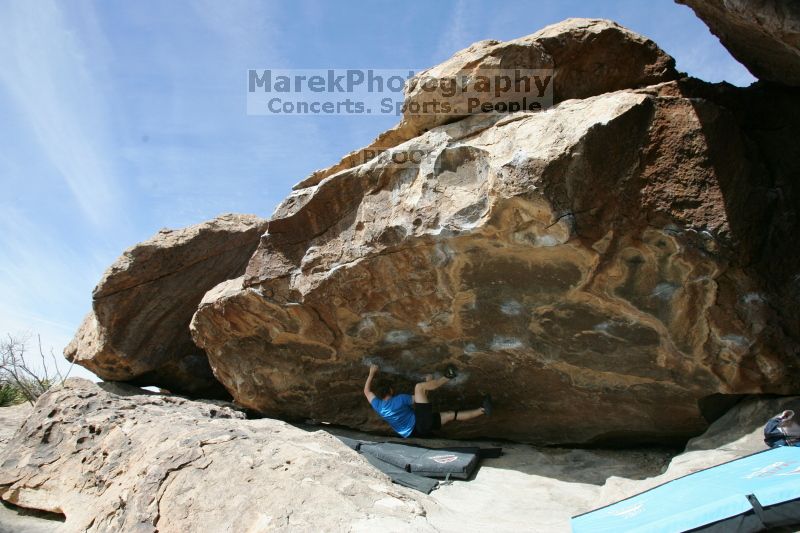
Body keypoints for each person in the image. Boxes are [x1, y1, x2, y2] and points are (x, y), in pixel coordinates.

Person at [363, 363, 491, 438]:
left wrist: (371, 374)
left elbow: (366, 392)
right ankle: (449, 376)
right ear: (391, 390)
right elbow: (422, 399)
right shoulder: (400, 399)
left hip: (414, 432)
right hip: (419, 424)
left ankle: (483, 410)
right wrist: (428, 383)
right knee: (419, 387)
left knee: (450, 415)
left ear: (379, 395)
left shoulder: (378, 406)